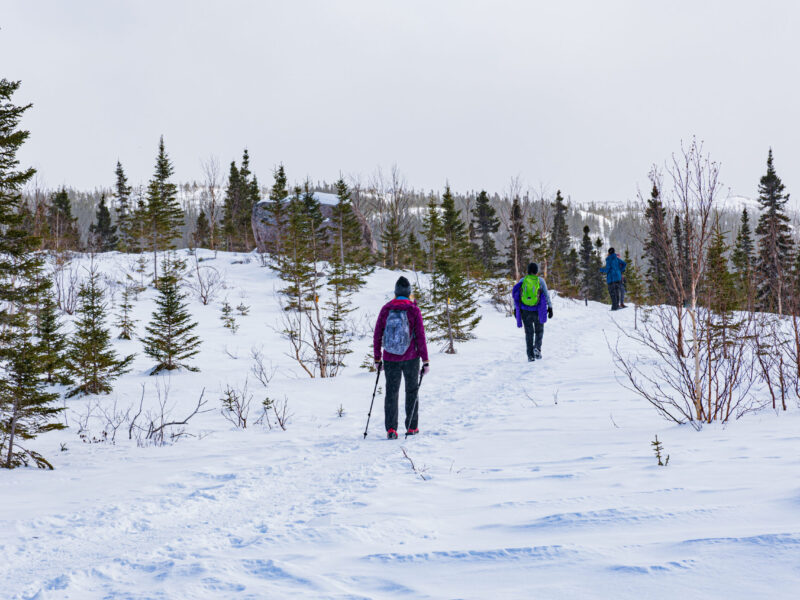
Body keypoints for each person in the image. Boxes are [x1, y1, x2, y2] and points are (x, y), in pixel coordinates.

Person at [373, 276, 429, 439]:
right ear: (409, 292)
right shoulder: (413, 309)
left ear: (396, 292)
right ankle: (412, 427)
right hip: (411, 357)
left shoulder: (386, 309)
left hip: (390, 358)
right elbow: (420, 336)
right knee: (411, 390)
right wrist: (425, 361)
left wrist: (377, 358)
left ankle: (391, 429)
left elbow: (377, 334)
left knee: (391, 392)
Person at [512, 262, 553, 362]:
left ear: (528, 270)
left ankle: (530, 355)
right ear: (536, 271)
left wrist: (515, 309)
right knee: (539, 331)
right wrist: (550, 307)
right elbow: (546, 295)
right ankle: (537, 349)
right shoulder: (540, 281)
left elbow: (516, 296)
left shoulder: (522, 280)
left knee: (529, 333)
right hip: (538, 311)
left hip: (525, 311)